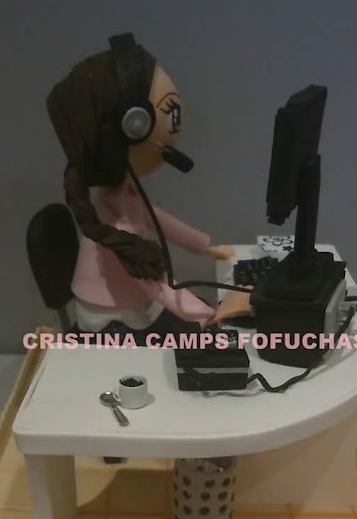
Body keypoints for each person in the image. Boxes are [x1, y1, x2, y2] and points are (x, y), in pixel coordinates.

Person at [46, 33, 234, 342]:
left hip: (135, 303)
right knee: (192, 339)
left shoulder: (120, 195)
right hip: (114, 320)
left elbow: (156, 219)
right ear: (133, 127)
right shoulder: (115, 223)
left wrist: (205, 247)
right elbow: (152, 281)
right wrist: (205, 315)